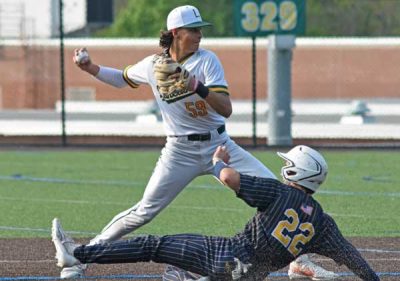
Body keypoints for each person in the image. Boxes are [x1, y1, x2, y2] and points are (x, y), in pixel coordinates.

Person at [63, 4, 334, 280]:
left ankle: (300, 262)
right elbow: (122, 79)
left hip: (220, 146)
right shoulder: (153, 65)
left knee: (279, 197)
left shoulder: (207, 61)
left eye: (200, 29)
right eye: (193, 30)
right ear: (176, 32)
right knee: (143, 211)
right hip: (179, 151)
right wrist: (89, 68)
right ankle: (80, 257)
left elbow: (225, 108)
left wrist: (196, 86)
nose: (199, 35)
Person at [52, 145, 379, 281]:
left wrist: (218, 160)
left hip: (227, 255)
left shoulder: (278, 193)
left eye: (288, 165)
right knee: (178, 271)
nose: (283, 169)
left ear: (296, 174)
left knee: (153, 245)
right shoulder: (322, 222)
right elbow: (355, 260)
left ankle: (78, 254)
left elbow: (227, 178)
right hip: (249, 277)